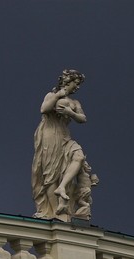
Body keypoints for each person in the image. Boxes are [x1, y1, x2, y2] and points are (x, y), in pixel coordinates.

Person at [31, 70, 97, 222]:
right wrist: (58, 95)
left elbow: (83, 118)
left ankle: (63, 186)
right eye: (76, 83)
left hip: (65, 136)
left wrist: (70, 112)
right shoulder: (51, 95)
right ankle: (55, 213)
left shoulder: (75, 103)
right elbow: (44, 109)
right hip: (49, 135)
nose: (77, 87)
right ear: (68, 81)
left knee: (79, 156)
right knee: (50, 174)